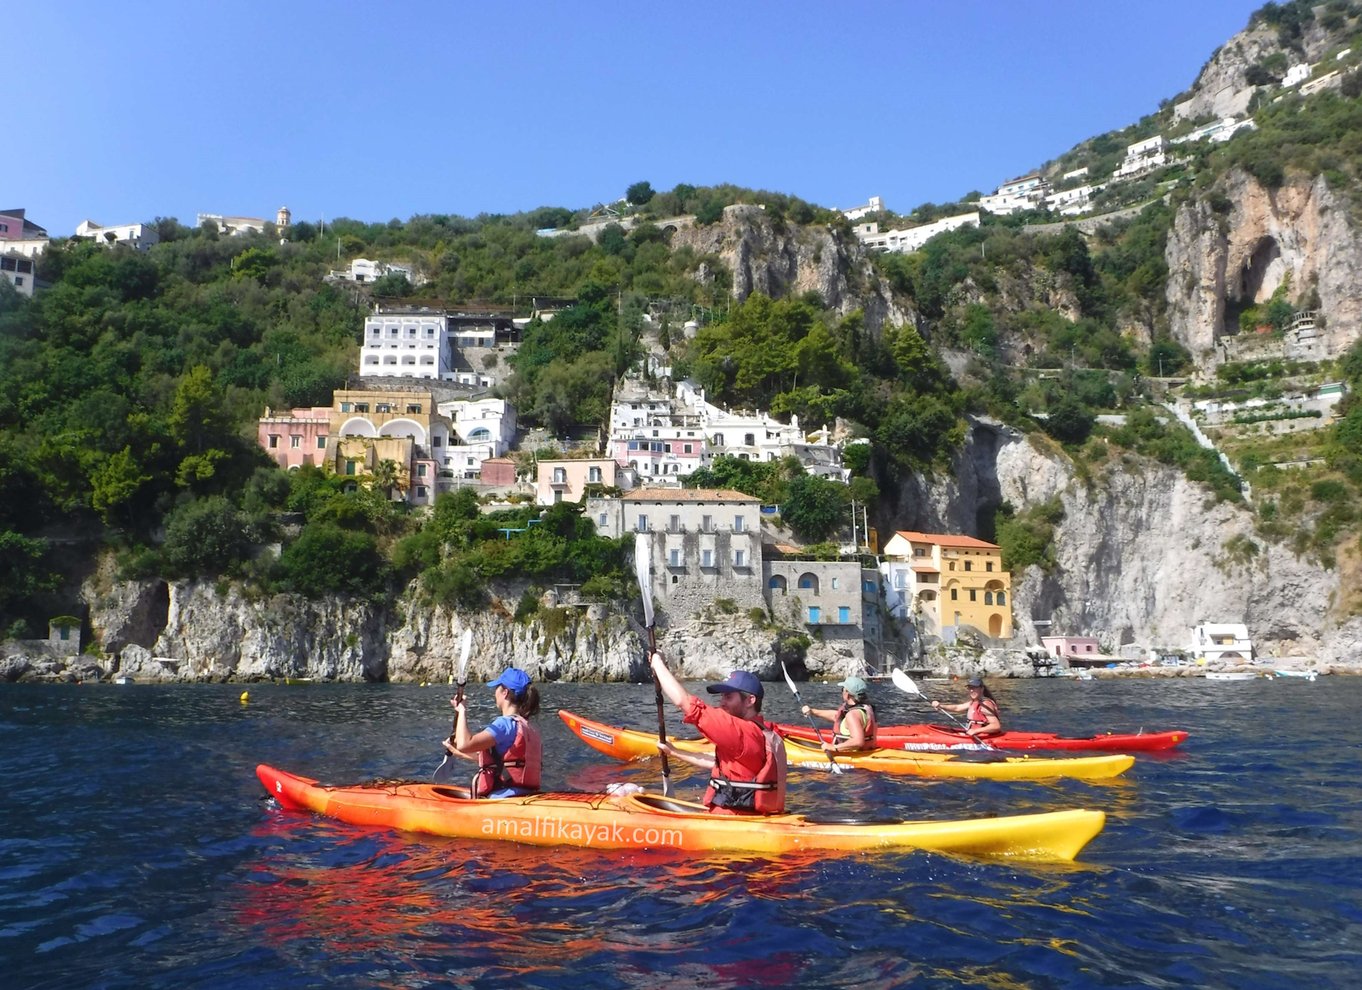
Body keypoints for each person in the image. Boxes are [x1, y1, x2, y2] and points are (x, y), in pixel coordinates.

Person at [649, 652, 787, 815]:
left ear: (750, 700)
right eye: (722, 696)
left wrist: (657, 664)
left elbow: (685, 703)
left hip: (732, 821)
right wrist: (674, 752)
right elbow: (717, 763)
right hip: (749, 818)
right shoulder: (761, 731)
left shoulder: (741, 731)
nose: (722, 702)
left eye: (729, 697)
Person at [443, 667, 542, 798]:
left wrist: (462, 710)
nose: (495, 692)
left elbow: (464, 744)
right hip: (526, 795)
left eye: (497, 688)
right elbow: (499, 762)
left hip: (502, 798)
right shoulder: (529, 728)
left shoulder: (504, 724)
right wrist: (458, 753)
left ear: (505, 692)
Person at [801, 675, 878, 753]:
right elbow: (837, 717)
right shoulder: (865, 708)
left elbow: (857, 741)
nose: (841, 692)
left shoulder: (853, 715)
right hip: (867, 751)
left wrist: (833, 747)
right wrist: (813, 712)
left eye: (842, 690)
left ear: (847, 693)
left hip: (852, 755)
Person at [932, 675, 1002, 739]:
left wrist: (976, 731)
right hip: (974, 735)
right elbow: (957, 708)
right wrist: (940, 706)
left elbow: (996, 726)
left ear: (982, 689)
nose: (971, 690)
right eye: (970, 688)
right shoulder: (974, 702)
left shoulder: (985, 704)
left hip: (983, 737)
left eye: (974, 688)